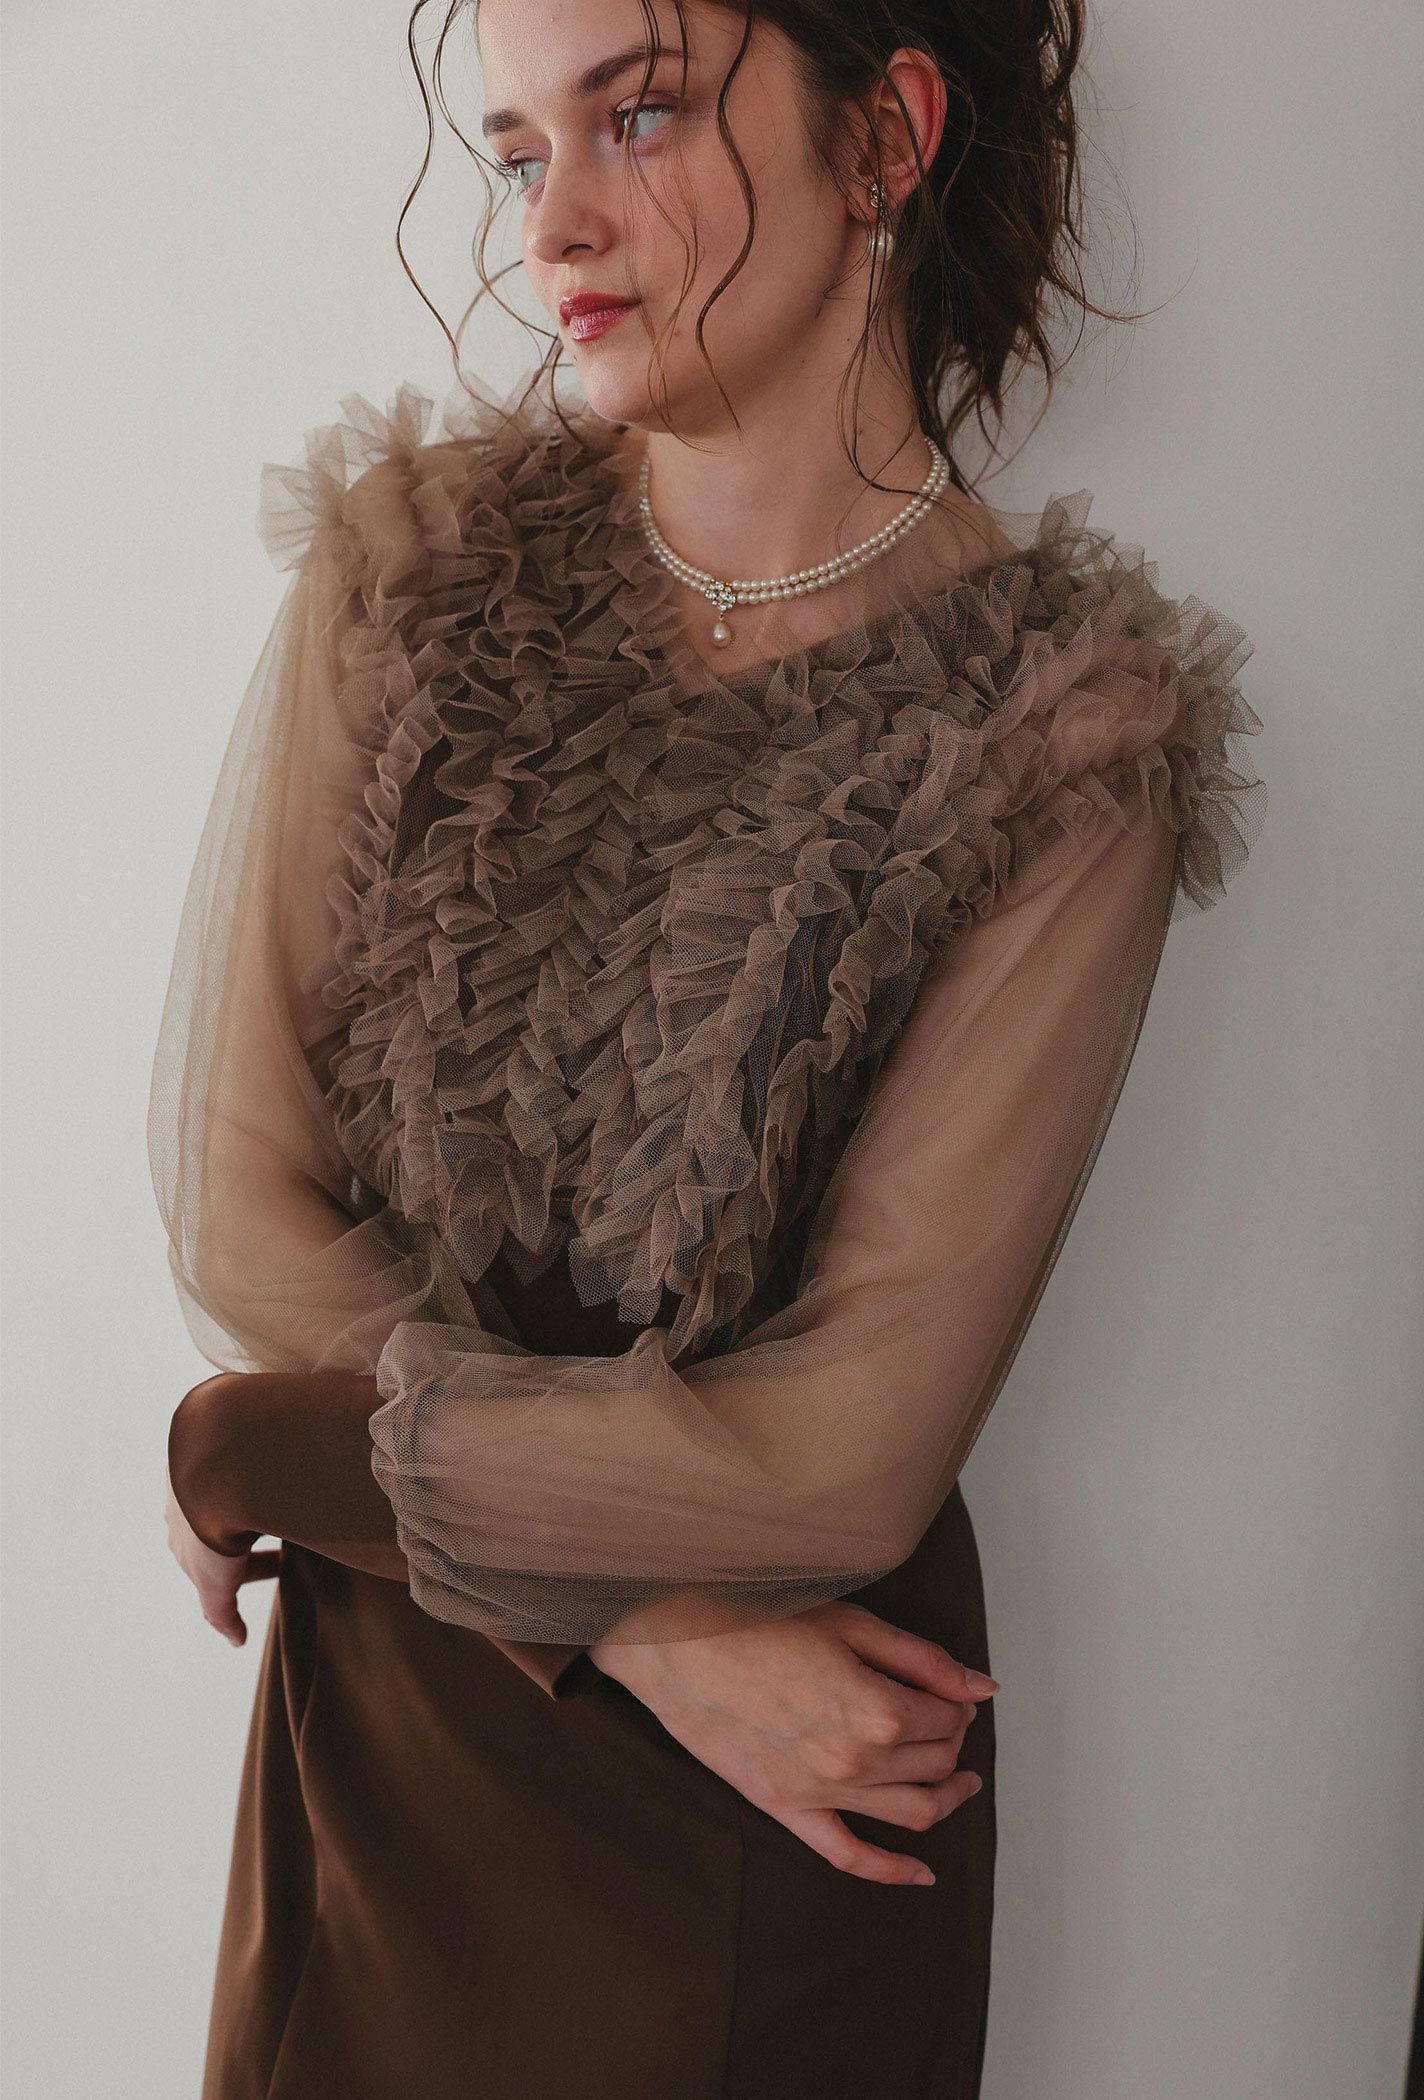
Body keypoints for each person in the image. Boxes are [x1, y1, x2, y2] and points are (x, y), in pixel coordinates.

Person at [150, 1, 1266, 2093]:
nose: (552, 224)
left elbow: (845, 1453)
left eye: (639, 116)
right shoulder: (412, 573)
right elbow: (239, 1193)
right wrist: (646, 1634)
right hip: (423, 1730)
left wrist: (281, 1449)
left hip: (775, 1826)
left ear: (886, 135)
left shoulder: (1057, 736)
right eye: (517, 150)